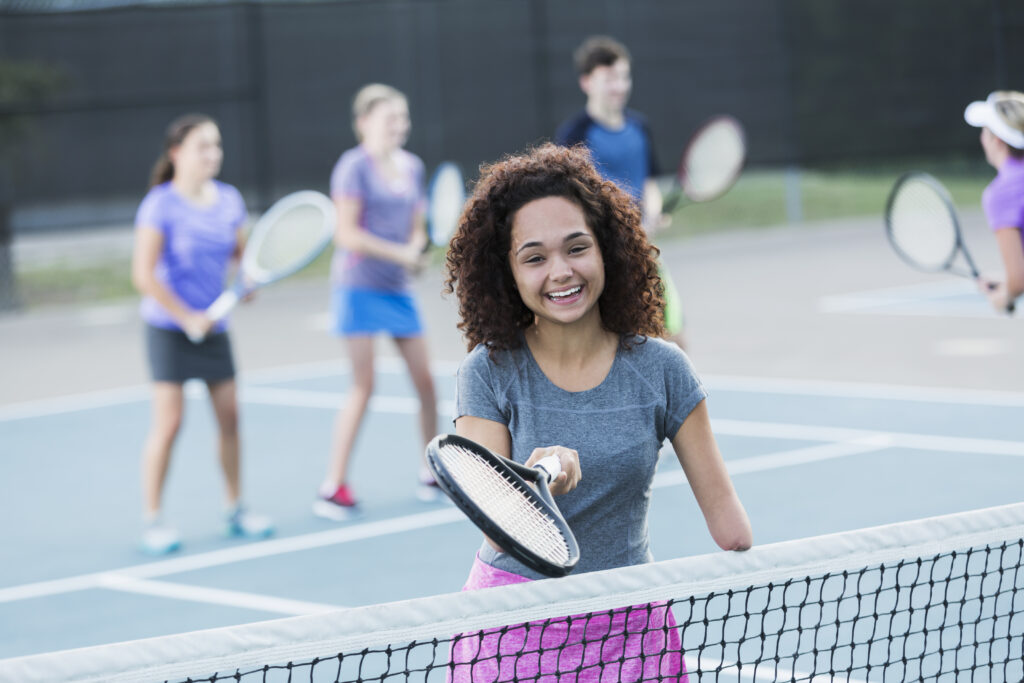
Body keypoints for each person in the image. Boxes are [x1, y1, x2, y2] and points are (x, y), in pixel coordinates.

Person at [443, 143, 752, 682]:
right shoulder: (487, 372)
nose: (561, 272)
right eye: (534, 257)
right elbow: (496, 531)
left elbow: (732, 530)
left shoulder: (663, 369)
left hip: (633, 627)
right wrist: (531, 489)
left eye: (576, 248)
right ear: (506, 272)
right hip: (512, 631)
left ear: (607, 248)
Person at [131, 113, 273, 555]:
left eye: (216, 146)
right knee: (170, 423)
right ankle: (153, 519)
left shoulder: (229, 200)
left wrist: (245, 285)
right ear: (176, 154)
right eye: (202, 147)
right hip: (168, 327)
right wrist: (186, 315)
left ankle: (235, 509)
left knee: (230, 419)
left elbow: (242, 259)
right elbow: (143, 275)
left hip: (215, 327)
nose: (212, 155)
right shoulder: (160, 204)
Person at [314, 84, 439, 521]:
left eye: (403, 118)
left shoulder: (413, 166)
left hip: (398, 290)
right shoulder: (352, 168)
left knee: (426, 383)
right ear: (364, 122)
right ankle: (333, 486)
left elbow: (418, 227)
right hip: (358, 287)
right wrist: (399, 252)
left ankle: (432, 471)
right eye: (390, 119)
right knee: (363, 385)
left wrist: (416, 250)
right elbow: (346, 234)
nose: (398, 127)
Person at [554, 35, 687, 347]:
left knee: (676, 340)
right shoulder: (574, 134)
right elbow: (569, 201)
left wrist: (651, 214)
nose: (619, 86)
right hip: (601, 258)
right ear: (587, 82)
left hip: (642, 251)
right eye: (609, 79)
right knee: (615, 345)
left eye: (624, 77)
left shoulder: (640, 126)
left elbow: (648, 182)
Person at [964, 90, 1024, 314]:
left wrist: (1005, 295)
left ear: (996, 140)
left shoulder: (1002, 193)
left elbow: (1018, 281)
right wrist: (1007, 280)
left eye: (984, 132)